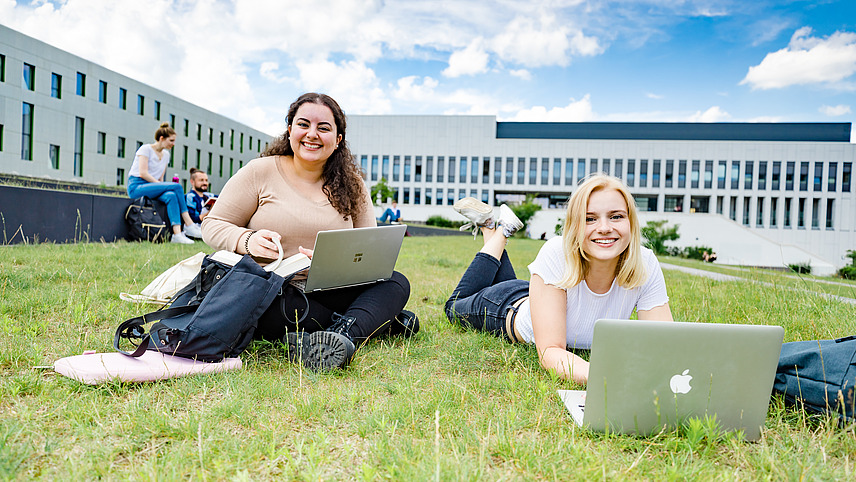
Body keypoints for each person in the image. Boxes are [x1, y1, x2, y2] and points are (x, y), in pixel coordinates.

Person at [202, 93, 417, 372]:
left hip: (329, 288)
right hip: (273, 291)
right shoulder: (260, 172)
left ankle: (340, 338)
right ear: (290, 129)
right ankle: (373, 321)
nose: (312, 134)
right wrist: (247, 240)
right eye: (303, 124)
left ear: (338, 139)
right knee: (272, 313)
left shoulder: (353, 184)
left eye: (324, 128)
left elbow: (369, 251)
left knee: (396, 283)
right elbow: (213, 224)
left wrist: (336, 262)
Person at [445, 174, 673, 384]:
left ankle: (489, 226)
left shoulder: (645, 262)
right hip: (505, 307)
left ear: (631, 222)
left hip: (543, 296)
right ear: (575, 226)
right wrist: (606, 378)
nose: (604, 228)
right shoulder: (557, 251)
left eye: (616, 216)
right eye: (590, 219)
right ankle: (500, 230)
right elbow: (550, 351)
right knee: (454, 306)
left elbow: (666, 342)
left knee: (502, 280)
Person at [126, 123, 202, 244]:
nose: (173, 144)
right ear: (162, 138)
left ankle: (177, 234)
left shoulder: (166, 155)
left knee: (171, 195)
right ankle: (189, 224)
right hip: (137, 187)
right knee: (176, 186)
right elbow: (143, 173)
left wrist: (161, 186)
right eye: (171, 140)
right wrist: (162, 186)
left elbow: (160, 178)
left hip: (153, 187)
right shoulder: (145, 149)